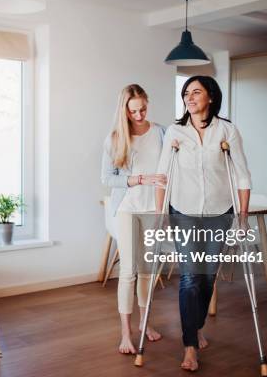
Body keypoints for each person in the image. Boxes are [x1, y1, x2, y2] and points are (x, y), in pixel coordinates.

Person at [155, 76, 252, 371]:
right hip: (183, 211)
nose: (189, 97)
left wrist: (243, 216)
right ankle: (190, 347)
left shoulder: (227, 130)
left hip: (219, 212)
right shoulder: (175, 131)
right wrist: (160, 214)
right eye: (186, 93)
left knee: (208, 275)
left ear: (211, 96)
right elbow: (163, 175)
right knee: (189, 277)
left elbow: (242, 174)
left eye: (196, 92)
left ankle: (195, 326)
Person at [101, 84, 167, 354]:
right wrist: (139, 179)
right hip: (127, 208)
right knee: (129, 269)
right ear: (125, 111)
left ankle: (145, 324)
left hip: (153, 208)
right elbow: (107, 179)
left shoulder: (161, 132)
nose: (139, 115)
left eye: (142, 109)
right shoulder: (116, 138)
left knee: (147, 270)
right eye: (133, 111)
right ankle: (125, 333)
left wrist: (165, 210)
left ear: (147, 104)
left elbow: (168, 170)